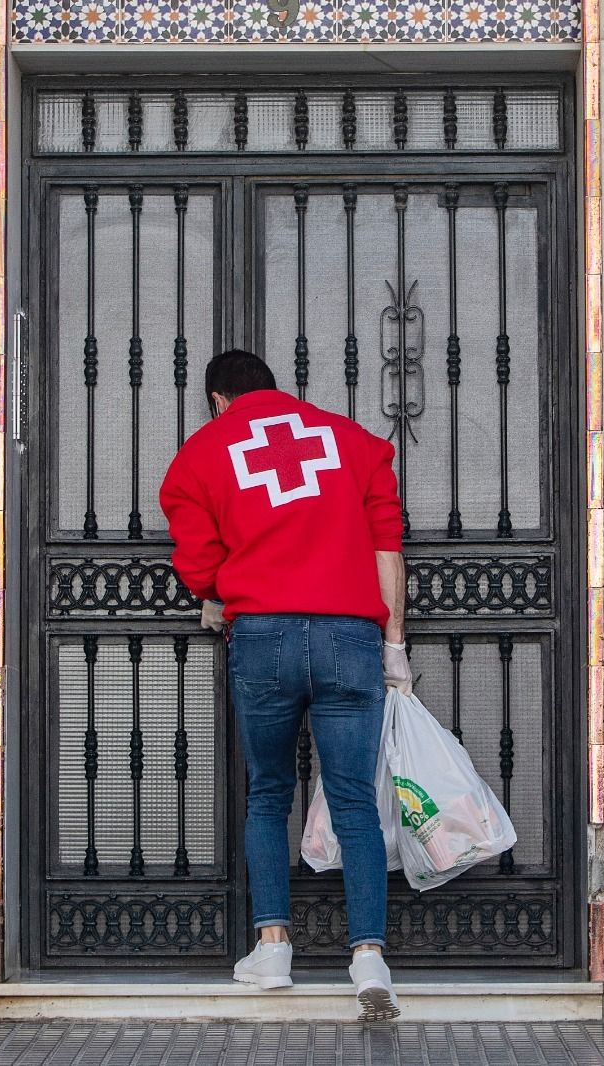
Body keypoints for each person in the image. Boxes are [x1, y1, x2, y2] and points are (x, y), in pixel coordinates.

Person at [159, 348, 412, 1022]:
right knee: (355, 799)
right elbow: (388, 545)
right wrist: (396, 649)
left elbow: (200, 561)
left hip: (265, 637)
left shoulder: (202, 454)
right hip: (349, 636)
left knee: (269, 792)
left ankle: (272, 949)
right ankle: (368, 959)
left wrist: (217, 591)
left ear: (217, 398)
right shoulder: (351, 441)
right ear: (279, 391)